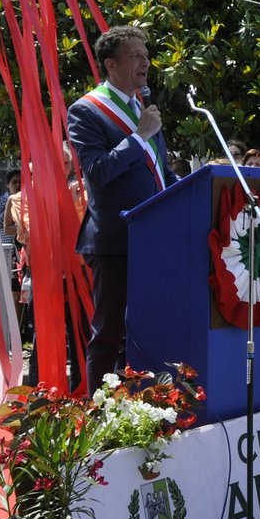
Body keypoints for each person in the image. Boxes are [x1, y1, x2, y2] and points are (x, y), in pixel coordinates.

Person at [67, 24, 176, 388]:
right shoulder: (87, 110)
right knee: (109, 330)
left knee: (149, 327)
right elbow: (97, 173)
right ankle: (99, 411)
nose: (146, 63)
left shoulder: (142, 108)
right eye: (136, 57)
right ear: (111, 64)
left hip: (154, 235)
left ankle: (145, 403)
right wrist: (139, 135)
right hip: (115, 238)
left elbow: (160, 172)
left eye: (146, 56)